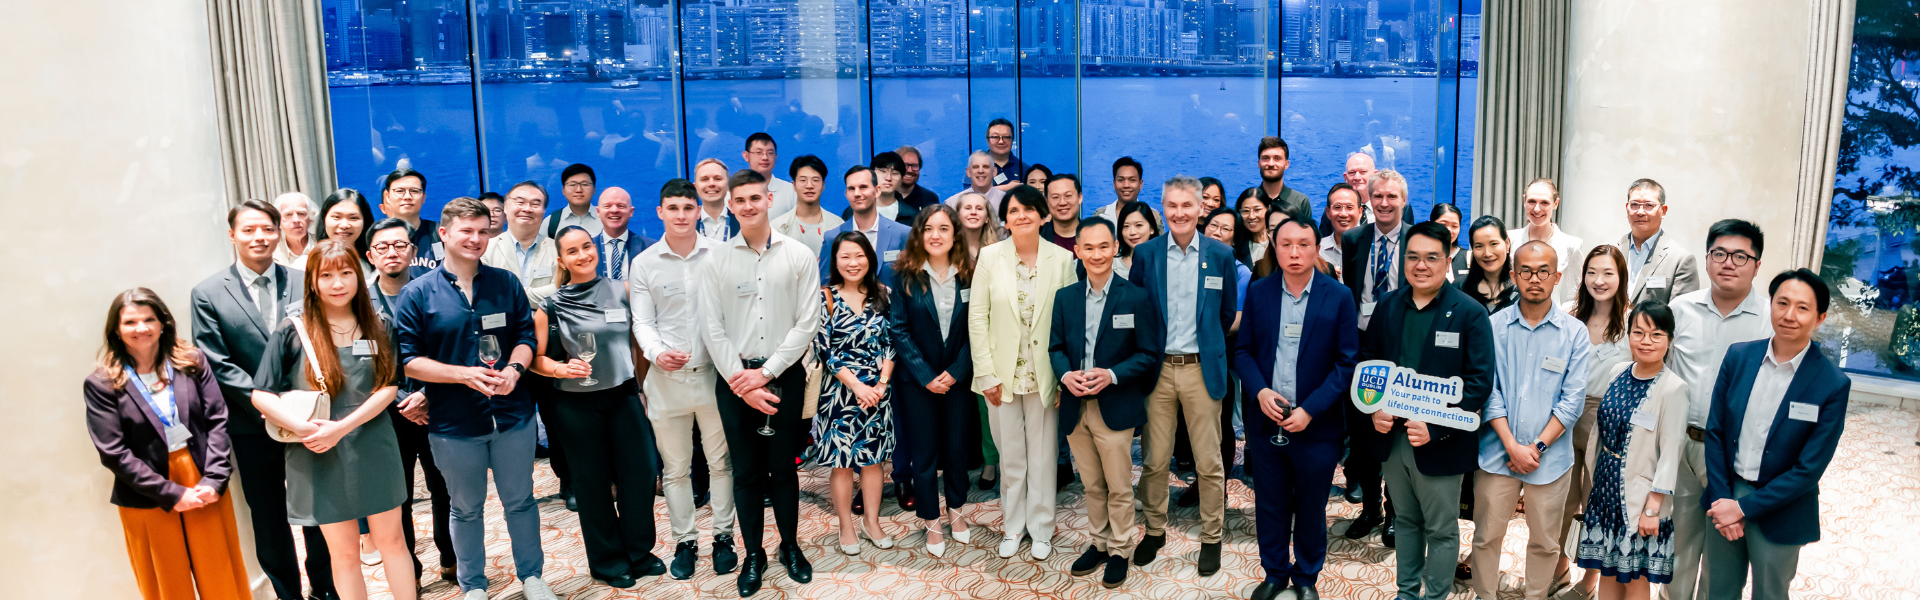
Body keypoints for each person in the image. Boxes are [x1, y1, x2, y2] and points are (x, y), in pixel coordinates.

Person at [391, 198, 557, 600]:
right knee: (465, 508)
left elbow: (524, 336)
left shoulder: (505, 282)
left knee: (520, 501)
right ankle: (474, 586)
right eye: (466, 231)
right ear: (444, 234)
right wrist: (461, 375)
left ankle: (532, 578)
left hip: (512, 415)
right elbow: (408, 361)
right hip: (452, 422)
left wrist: (516, 370)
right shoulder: (416, 294)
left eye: (483, 231)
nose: (476, 239)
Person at [250, 241, 416, 600]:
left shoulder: (379, 323)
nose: (337, 283)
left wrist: (342, 427)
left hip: (372, 443)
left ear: (358, 276)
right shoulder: (292, 330)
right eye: (326, 275)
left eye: (345, 273)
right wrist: (304, 429)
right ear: (312, 281)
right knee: (341, 553)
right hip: (316, 448)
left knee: (393, 541)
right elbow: (260, 394)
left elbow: (389, 386)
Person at [188, 200, 333, 600]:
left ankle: (325, 588)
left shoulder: (304, 280)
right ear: (232, 234)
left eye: (267, 228)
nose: (259, 237)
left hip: (309, 417)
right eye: (249, 230)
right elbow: (216, 362)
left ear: (279, 231)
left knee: (318, 511)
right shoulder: (209, 293)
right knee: (268, 519)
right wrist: (269, 403)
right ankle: (287, 593)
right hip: (251, 425)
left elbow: (321, 342)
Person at [695, 169, 821, 597]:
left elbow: (807, 323)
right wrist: (744, 382)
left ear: (770, 199)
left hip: (785, 375)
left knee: (784, 470)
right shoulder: (716, 260)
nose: (748, 206)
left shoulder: (799, 254)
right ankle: (754, 555)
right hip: (734, 381)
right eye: (740, 201)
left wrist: (765, 375)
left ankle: (790, 546)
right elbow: (712, 329)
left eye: (755, 198)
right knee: (746, 473)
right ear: (730, 206)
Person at [87, 289, 252, 600]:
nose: (142, 328)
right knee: (167, 583)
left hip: (203, 477)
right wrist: (172, 493)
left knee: (220, 573)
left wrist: (215, 479)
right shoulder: (102, 384)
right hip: (147, 489)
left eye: (149, 319)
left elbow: (217, 419)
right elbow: (113, 452)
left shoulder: (191, 362)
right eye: (131, 322)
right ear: (116, 330)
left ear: (163, 323)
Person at [1361, 220, 1496, 600]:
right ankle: (1407, 594)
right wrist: (1373, 409)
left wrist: (1436, 429)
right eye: (1413, 257)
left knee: (1440, 529)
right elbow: (1369, 363)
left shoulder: (1469, 312)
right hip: (1392, 437)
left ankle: (1435, 596)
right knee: (1405, 520)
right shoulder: (1388, 304)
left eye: (1431, 257)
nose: (1421, 265)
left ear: (1449, 257)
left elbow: (1478, 383)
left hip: (1441, 442)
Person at [529, 226, 665, 587]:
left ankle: (638, 551)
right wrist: (559, 368)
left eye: (587, 246)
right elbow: (534, 359)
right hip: (575, 405)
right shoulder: (551, 306)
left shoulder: (621, 290)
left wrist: (642, 386)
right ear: (561, 260)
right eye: (572, 251)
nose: (583, 255)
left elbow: (639, 341)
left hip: (622, 396)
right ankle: (607, 561)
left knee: (640, 476)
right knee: (592, 485)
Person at [1701, 269, 1849, 600]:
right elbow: (1716, 432)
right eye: (1782, 303)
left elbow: (1809, 469)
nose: (1789, 315)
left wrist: (1744, 508)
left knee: (1770, 592)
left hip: (1782, 505)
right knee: (1716, 588)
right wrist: (1725, 499)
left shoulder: (1832, 384)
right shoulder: (1739, 356)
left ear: (1819, 317)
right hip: (1726, 493)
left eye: (1802, 307)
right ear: (1771, 305)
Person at [1233, 217, 1359, 600]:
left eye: (1303, 244)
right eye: (1285, 244)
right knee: (1270, 503)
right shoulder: (1259, 292)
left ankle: (1306, 577)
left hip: (1316, 425)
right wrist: (1259, 392)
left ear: (1316, 248)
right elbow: (1243, 352)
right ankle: (1274, 572)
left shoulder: (1338, 296)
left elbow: (1346, 363)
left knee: (1310, 505)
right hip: (1266, 421)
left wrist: (1310, 410)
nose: (1294, 252)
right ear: (1274, 246)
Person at [1127, 176, 1238, 575]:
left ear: (1199, 208)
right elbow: (1137, 311)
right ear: (1163, 209)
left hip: (1200, 369)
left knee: (1209, 462)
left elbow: (1226, 315)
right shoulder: (1147, 255)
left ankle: (1212, 536)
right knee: (1156, 460)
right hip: (1158, 372)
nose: (1179, 213)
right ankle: (1154, 530)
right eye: (1171, 206)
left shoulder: (1220, 255)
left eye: (1187, 206)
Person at [1469, 241, 1592, 600]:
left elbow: (1573, 401)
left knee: (1544, 541)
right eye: (1525, 271)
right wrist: (1511, 445)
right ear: (1513, 275)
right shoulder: (1493, 326)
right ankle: (1485, 595)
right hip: (1497, 454)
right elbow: (1488, 391)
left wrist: (1534, 448)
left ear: (1556, 277)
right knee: (1486, 536)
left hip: (1550, 460)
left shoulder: (1575, 333)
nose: (1534, 279)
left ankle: (1536, 595)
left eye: (1543, 272)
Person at [633, 176, 740, 580]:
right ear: (660, 212)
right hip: (665, 379)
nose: (681, 215)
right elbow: (642, 320)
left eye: (688, 208)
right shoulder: (643, 262)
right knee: (675, 469)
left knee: (721, 464)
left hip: (714, 378)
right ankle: (686, 540)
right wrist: (657, 352)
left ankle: (724, 536)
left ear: (699, 211)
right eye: (672, 208)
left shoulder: (721, 254)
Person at [1049, 217, 1164, 589]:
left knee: (1118, 486)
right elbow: (1055, 348)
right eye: (1089, 247)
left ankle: (1119, 549)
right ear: (1077, 251)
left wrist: (1111, 374)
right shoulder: (1065, 298)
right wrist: (1065, 375)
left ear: (1116, 248)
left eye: (1104, 246)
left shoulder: (1136, 297)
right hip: (1074, 404)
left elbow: (1148, 354)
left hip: (1114, 404)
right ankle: (1098, 542)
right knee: (1092, 485)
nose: (1097, 254)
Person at [967, 184, 1078, 561]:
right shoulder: (990, 256)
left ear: (1043, 215)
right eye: (1013, 211)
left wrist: (1064, 376)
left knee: (1045, 457)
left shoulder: (1061, 260)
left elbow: (1068, 324)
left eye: (1029, 209)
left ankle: (1042, 527)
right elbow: (977, 318)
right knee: (1011, 458)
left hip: (1045, 376)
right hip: (1000, 377)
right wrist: (985, 374)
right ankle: (1013, 526)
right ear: (1006, 219)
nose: (1022, 216)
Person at [1665, 219, 1771, 600]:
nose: (1729, 262)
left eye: (1741, 256)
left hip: (1733, 451)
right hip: (1680, 441)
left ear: (1757, 265)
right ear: (1708, 259)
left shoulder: (1770, 319)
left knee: (1723, 548)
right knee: (1676, 538)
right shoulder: (1679, 310)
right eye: (1720, 253)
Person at [1574, 300, 1690, 600]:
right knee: (1608, 569)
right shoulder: (1618, 372)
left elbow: (1671, 453)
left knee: (1634, 576)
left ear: (1670, 340)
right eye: (1639, 333)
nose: (1646, 341)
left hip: (1640, 498)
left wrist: (1653, 509)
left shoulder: (1673, 388)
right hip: (1605, 489)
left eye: (1656, 335)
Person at [364, 218, 457, 582]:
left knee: (445, 488)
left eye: (400, 245)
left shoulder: (435, 291)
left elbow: (451, 349)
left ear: (414, 252)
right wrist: (404, 399)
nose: (392, 253)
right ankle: (410, 571)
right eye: (383, 247)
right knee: (396, 498)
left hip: (436, 406)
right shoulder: (358, 302)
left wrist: (426, 395)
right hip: (384, 414)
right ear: (370, 255)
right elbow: (359, 365)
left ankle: (450, 556)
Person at [889, 206, 980, 558]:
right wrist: (926, 376)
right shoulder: (905, 275)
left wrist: (957, 370)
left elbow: (978, 326)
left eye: (944, 228)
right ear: (919, 234)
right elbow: (899, 328)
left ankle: (956, 511)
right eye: (929, 229)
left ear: (955, 234)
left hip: (958, 378)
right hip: (917, 382)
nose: (936, 235)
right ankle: (930, 519)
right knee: (924, 454)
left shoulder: (970, 274)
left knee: (957, 450)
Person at [812, 232, 899, 555]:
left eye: (859, 256)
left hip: (878, 392)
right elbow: (824, 349)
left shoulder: (883, 294)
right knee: (842, 463)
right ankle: (846, 525)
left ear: (870, 259)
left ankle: (872, 521)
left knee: (874, 462)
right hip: (839, 394)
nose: (853, 263)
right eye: (845, 256)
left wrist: (880, 384)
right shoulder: (825, 298)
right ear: (835, 261)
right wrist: (858, 386)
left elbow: (893, 342)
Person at [1556, 244, 1636, 598]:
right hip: (1564, 415)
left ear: (1621, 278)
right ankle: (1557, 568)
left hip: (1608, 418)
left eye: (1608, 273)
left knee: (1596, 506)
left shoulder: (1634, 321)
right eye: (1592, 272)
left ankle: (1588, 582)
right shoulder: (1568, 313)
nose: (1598, 281)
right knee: (1558, 499)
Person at [1338, 170, 1411, 532]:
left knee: (1397, 434)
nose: (1384, 203)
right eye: (1378, 196)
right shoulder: (1353, 239)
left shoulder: (1418, 240)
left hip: (1404, 348)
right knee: (1365, 432)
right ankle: (1371, 508)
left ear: (1403, 201)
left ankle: (1396, 512)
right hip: (1363, 348)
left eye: (1392, 197)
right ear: (1369, 199)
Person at [823, 165, 911, 289]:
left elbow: (913, 284)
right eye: (851, 189)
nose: (857, 193)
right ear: (846, 194)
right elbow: (824, 286)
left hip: (893, 307)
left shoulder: (903, 234)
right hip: (847, 307)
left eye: (863, 187)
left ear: (877, 191)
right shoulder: (832, 237)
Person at [1616, 179, 1701, 306]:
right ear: (1626, 208)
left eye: (1649, 205)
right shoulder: (1608, 250)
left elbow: (1681, 315)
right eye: (1634, 204)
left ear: (1664, 211)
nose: (1640, 212)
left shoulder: (1681, 259)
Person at [482, 181, 561, 304]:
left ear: (544, 211)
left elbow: (560, 293)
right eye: (520, 202)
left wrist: (509, 294)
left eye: (535, 204)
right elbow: (486, 294)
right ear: (506, 208)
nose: (527, 209)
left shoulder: (558, 249)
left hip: (547, 321)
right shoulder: (485, 249)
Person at [1508, 178, 1583, 301]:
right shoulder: (1510, 240)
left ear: (1556, 203)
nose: (1537, 209)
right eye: (1532, 201)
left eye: (1544, 203)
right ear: (1524, 201)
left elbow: (1575, 296)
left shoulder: (1571, 245)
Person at [770, 155, 844, 255]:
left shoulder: (838, 225)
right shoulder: (777, 227)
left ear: (823, 185)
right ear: (794, 185)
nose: (809, 186)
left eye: (815, 180)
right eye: (803, 180)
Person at [380, 168, 443, 272]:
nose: (407, 196)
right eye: (400, 191)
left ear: (424, 197)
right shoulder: (377, 238)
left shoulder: (440, 233)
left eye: (414, 191)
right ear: (387, 196)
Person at [592, 187, 655, 283]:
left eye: (621, 206)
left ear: (631, 211)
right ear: (598, 211)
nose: (614, 210)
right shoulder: (586, 250)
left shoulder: (650, 248)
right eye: (607, 206)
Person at [1248, 137, 1313, 226]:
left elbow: (1307, 238)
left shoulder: (1300, 202)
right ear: (1259, 163)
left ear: (1286, 164)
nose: (1271, 164)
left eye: (1277, 158)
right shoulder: (1247, 201)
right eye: (1266, 158)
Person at [1464, 216, 1518, 313]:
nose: (1487, 253)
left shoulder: (1521, 290)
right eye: (1479, 246)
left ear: (1507, 244)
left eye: (1493, 244)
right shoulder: (1460, 289)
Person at [742, 133, 798, 217]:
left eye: (770, 153)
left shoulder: (791, 191)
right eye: (758, 152)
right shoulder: (734, 190)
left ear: (776, 156)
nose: (765, 157)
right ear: (746, 156)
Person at [1092, 156, 1162, 225]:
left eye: (1132, 180)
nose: (1126, 185)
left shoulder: (1153, 215)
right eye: (1120, 180)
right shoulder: (1100, 215)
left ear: (1140, 184)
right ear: (1114, 184)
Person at [321, 189, 376, 273]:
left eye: (353, 218)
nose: (344, 225)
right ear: (324, 219)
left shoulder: (376, 266)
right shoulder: (304, 265)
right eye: (336, 217)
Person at [542, 163, 604, 238]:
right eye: (572, 185)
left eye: (585, 184)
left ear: (594, 189)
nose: (578, 190)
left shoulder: (605, 218)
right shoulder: (551, 223)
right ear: (563, 190)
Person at [1318, 183, 1363, 280]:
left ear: (1360, 212)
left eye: (1349, 207)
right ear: (1328, 213)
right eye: (1337, 207)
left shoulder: (1373, 249)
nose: (1343, 214)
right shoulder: (1316, 251)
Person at [865, 151, 920, 225]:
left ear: (901, 179)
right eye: (883, 171)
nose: (888, 178)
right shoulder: (855, 210)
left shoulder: (912, 215)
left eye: (895, 173)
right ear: (872, 174)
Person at [947, 151, 1009, 216]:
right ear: (968, 172)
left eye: (985, 167)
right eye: (976, 167)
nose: (980, 171)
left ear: (994, 171)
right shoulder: (952, 204)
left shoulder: (1006, 201)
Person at [694, 159, 739, 242]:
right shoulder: (687, 225)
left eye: (717, 178)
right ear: (695, 187)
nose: (711, 184)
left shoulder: (743, 222)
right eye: (704, 179)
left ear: (728, 185)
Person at [1115, 200, 1161, 281]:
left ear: (1151, 228)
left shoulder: (1163, 261)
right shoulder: (1112, 265)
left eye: (1138, 225)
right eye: (1126, 226)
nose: (1132, 232)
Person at [955, 191, 1005, 259]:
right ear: (958, 215)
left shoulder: (1000, 251)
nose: (973, 212)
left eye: (979, 208)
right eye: (968, 208)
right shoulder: (948, 249)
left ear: (987, 218)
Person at [1042, 173, 1085, 251]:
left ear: (1080, 198)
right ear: (1047, 201)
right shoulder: (1037, 237)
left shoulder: (1093, 235)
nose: (1062, 202)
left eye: (1068, 196)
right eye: (1055, 197)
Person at [274, 192, 316, 268]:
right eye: (288, 214)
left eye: (301, 213)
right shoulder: (272, 255)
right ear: (278, 221)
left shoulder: (326, 247)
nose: (296, 220)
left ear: (311, 218)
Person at [1428, 203, 1467, 282]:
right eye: (1443, 224)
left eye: (1454, 226)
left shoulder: (1468, 258)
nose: (1449, 230)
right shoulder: (1419, 256)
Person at [984, 118, 1025, 190]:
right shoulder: (977, 166)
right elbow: (969, 195)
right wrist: (1008, 188)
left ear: (1012, 140)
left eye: (1006, 137)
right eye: (995, 137)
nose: (1001, 141)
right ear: (988, 140)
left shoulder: (1024, 169)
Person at [895, 145, 941, 209]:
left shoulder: (930, 199)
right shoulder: (881, 196)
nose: (910, 170)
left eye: (915, 165)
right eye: (905, 165)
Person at [1234, 189, 1270, 266]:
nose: (1251, 216)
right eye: (1246, 211)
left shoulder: (1279, 243)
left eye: (1257, 210)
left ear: (1269, 209)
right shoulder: (1236, 245)